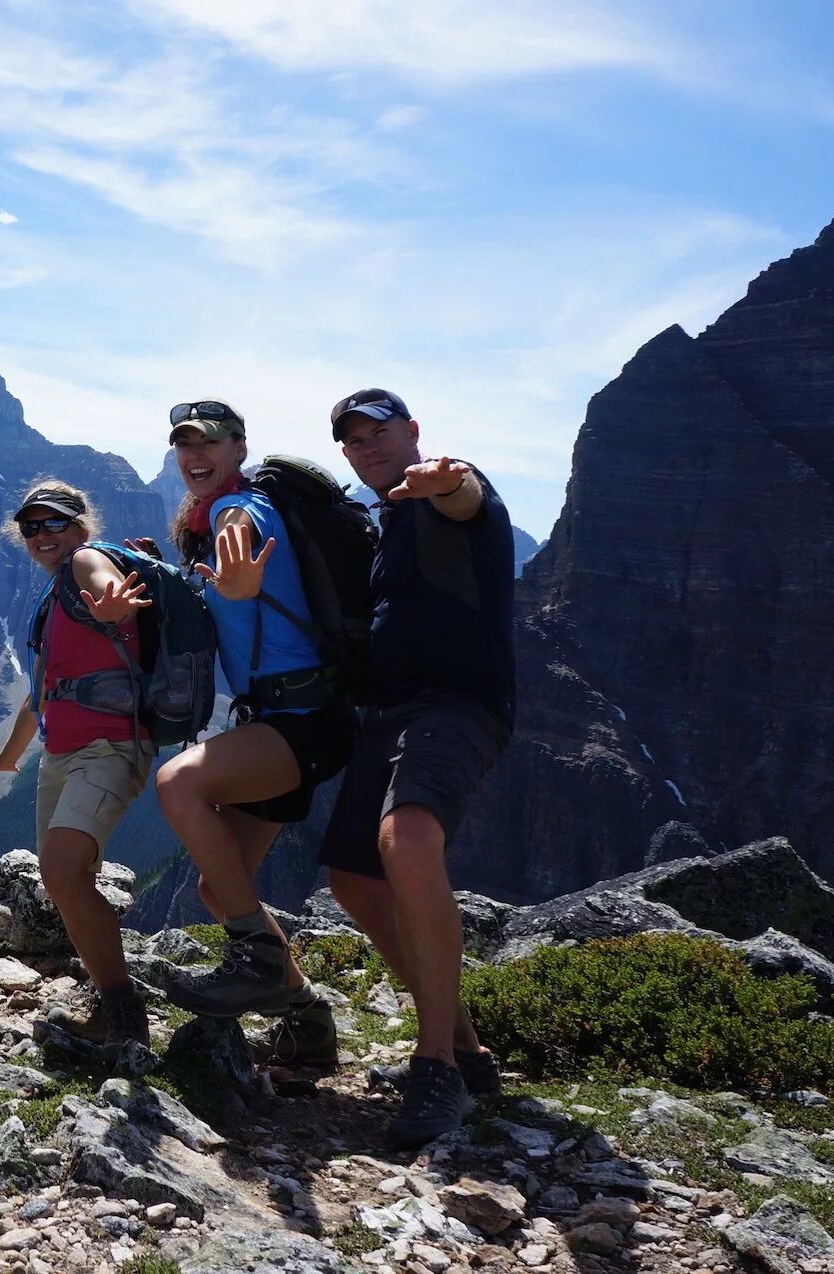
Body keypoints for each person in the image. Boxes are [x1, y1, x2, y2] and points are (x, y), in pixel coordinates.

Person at [322, 387, 515, 1148]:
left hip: (458, 707)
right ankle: (468, 1051)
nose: (367, 448)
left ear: (412, 431)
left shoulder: (448, 493)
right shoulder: (389, 522)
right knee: (353, 877)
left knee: (406, 842)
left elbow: (464, 496)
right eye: (353, 441)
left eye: (379, 432)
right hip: (394, 715)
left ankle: (435, 1067)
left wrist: (447, 482)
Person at [151, 401, 353, 1065]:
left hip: (302, 722)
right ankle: (307, 1017)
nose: (193, 454)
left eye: (208, 442)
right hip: (281, 721)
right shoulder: (212, 520)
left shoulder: (244, 512)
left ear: (238, 449)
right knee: (221, 884)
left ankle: (257, 959)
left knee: (178, 784)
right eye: (183, 444)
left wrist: (236, 581)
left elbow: (242, 543)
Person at [0, 480, 158, 1051]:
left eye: (54, 523)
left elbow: (100, 577)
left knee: (66, 873)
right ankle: (110, 997)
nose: (42, 535)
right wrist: (8, 760)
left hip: (109, 746)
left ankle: (125, 1016)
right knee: (60, 879)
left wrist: (112, 599)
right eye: (31, 526)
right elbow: (42, 691)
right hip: (62, 754)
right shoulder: (55, 599)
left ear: (80, 525)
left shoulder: (85, 563)